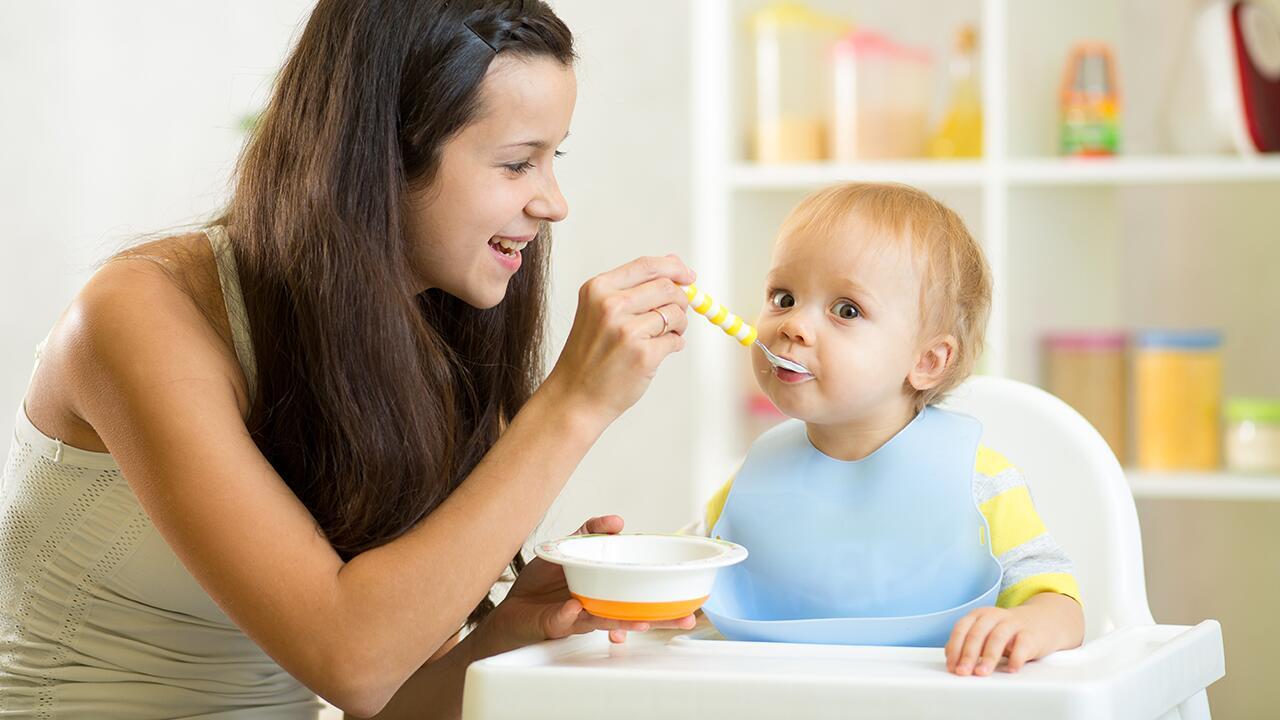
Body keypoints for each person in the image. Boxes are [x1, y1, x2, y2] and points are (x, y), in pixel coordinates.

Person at [0, 1, 696, 717]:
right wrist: (574, 404)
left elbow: (383, 699)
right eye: (519, 162)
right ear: (382, 152)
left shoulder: (421, 337)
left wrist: (508, 634)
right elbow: (352, 661)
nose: (553, 202)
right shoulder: (136, 316)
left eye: (555, 158)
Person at [694, 182, 1085, 676]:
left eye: (847, 310)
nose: (794, 325)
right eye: (784, 297)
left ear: (926, 361)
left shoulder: (979, 483)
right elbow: (687, 584)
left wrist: (1029, 624)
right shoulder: (749, 483)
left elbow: (1060, 603)